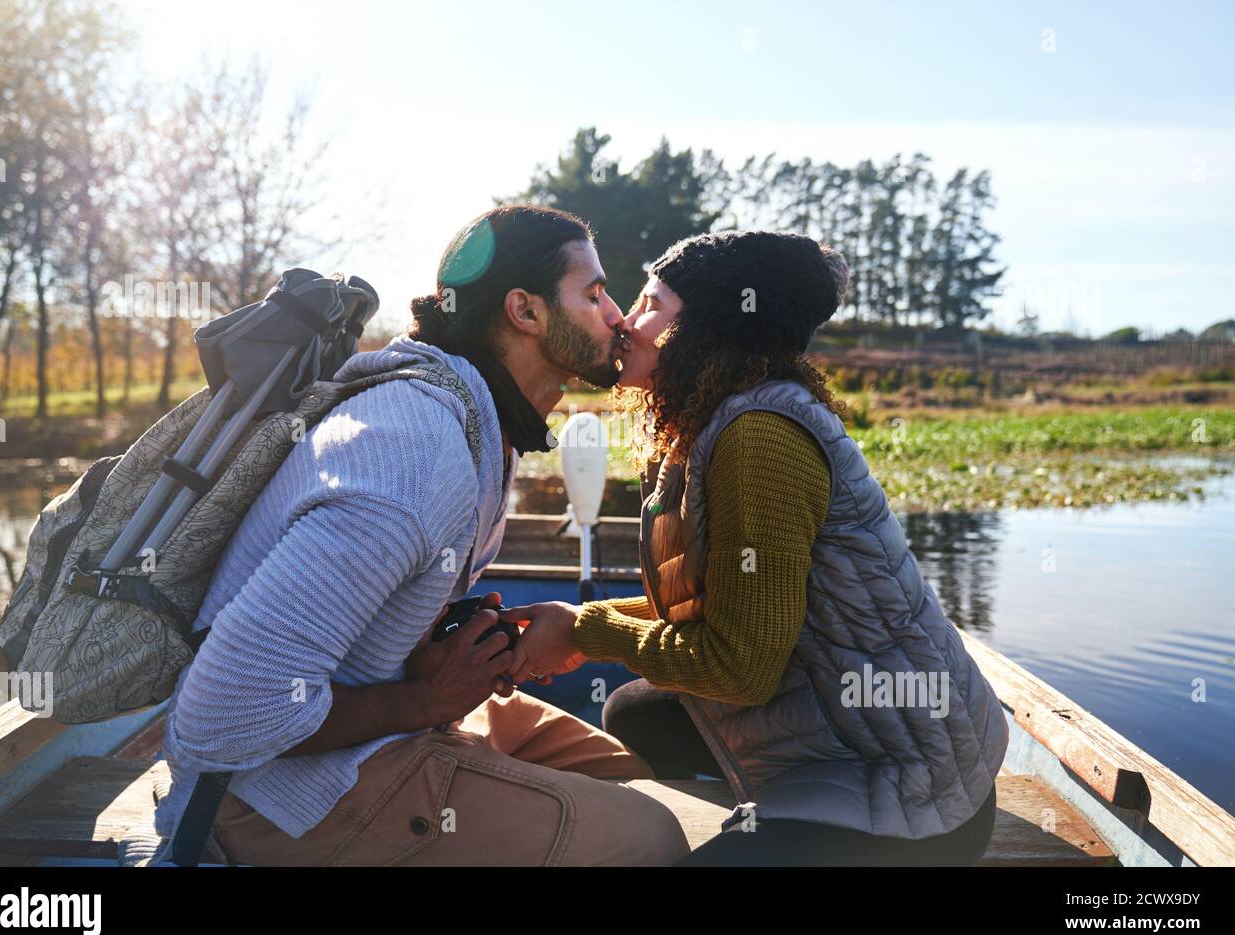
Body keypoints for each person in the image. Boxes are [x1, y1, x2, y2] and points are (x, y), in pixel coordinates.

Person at [156, 205, 690, 866]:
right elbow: (220, 716)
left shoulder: (481, 418)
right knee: (653, 839)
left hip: (394, 724)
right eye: (593, 292)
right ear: (525, 311)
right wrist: (423, 698)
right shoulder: (411, 455)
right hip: (276, 796)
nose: (616, 315)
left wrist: (430, 658)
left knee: (628, 773)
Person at [501, 230, 1009, 866]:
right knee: (635, 713)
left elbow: (740, 668)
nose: (627, 322)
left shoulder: (757, 438)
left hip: (916, 791)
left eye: (653, 305)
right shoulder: (708, 422)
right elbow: (716, 609)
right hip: (859, 725)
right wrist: (580, 626)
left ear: (710, 329)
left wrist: (587, 635)